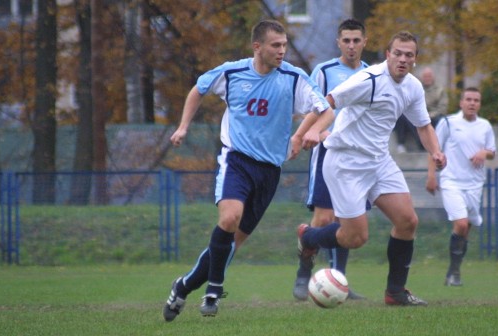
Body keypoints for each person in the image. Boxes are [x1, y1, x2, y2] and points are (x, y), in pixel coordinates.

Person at [162, 19, 335, 321]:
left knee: (232, 244)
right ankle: (214, 290)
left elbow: (326, 110)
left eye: (284, 45)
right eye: (275, 45)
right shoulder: (232, 72)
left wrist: (312, 131)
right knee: (229, 218)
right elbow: (198, 89)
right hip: (237, 161)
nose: (282, 51)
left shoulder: (293, 77)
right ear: (258, 47)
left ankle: (183, 286)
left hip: (269, 171)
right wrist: (183, 126)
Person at [296, 31, 447, 306]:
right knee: (355, 238)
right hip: (345, 162)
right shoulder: (370, 80)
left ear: (414, 60)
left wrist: (435, 151)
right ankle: (309, 236)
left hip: (378, 161)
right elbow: (327, 102)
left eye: (408, 55)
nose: (402, 59)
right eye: (397, 53)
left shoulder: (413, 87)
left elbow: (423, 125)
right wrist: (309, 132)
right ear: (387, 55)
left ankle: (395, 293)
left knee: (407, 221)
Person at [291, 18, 369, 301]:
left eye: (356, 40)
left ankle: (339, 282)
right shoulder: (324, 70)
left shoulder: (371, 73)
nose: (351, 45)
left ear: (364, 42)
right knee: (324, 218)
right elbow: (314, 106)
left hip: (357, 155)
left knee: (346, 219)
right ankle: (303, 273)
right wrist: (314, 132)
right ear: (338, 42)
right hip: (327, 151)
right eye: (346, 40)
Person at [425, 87, 496, 287]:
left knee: (466, 229)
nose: (472, 103)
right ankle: (454, 273)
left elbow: (492, 151)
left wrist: (484, 153)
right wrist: (431, 175)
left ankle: (453, 272)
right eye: (468, 99)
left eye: (476, 100)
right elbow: (434, 149)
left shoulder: (485, 126)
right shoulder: (448, 122)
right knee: (461, 224)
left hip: (474, 184)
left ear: (479, 104)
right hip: (451, 181)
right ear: (461, 103)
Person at [394, 67, 447, 153]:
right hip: (418, 114)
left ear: (433, 77)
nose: (427, 79)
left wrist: (429, 115)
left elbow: (442, 108)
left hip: (434, 115)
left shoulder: (440, 90)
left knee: (440, 120)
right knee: (403, 117)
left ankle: (436, 146)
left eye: (429, 76)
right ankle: (402, 144)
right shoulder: (416, 88)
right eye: (425, 76)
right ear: (422, 78)